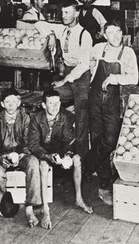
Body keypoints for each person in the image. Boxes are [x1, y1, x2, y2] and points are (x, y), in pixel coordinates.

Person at [84, 21, 138, 205]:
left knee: (110, 140)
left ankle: (87, 165)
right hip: (95, 97)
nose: (114, 36)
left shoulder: (128, 52)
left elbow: (134, 77)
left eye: (118, 32)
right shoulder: (97, 49)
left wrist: (115, 77)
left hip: (113, 100)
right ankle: (104, 180)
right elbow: (90, 69)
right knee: (97, 136)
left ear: (122, 33)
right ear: (104, 35)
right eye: (110, 33)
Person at [35, 0, 92, 160]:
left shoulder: (84, 35)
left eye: (67, 12)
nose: (64, 15)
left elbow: (84, 64)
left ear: (77, 13)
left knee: (82, 121)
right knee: (51, 99)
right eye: (62, 12)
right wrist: (51, 34)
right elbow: (39, 24)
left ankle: (81, 160)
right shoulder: (61, 30)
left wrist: (65, 80)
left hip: (81, 78)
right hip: (67, 74)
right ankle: (56, 145)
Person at [28, 89, 93, 229]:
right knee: (44, 166)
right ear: (44, 105)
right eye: (50, 103)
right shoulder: (36, 119)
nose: (55, 106)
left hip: (60, 151)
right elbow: (33, 145)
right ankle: (45, 209)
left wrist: (68, 155)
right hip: (43, 152)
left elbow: (69, 141)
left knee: (77, 160)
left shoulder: (66, 117)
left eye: (57, 102)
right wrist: (48, 156)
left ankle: (79, 198)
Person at [0, 89, 42, 227]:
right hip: (3, 155)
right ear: (2, 104)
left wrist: (21, 155)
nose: (11, 105)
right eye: (7, 102)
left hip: (21, 154)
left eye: (14, 101)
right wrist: (1, 158)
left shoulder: (25, 118)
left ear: (19, 103)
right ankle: (4, 204)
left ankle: (30, 207)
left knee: (34, 163)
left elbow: (28, 143)